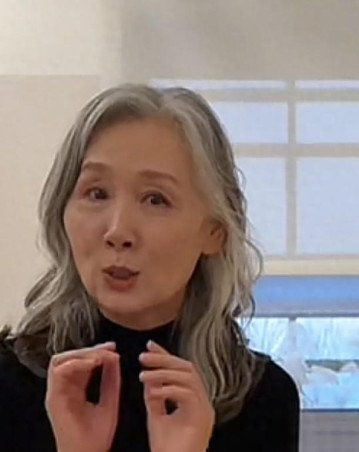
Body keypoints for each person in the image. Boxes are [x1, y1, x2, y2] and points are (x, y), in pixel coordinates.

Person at [0, 84, 300, 452]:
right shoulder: (10, 384)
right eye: (97, 193)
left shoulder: (263, 402)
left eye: (155, 200)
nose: (118, 231)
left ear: (215, 231)